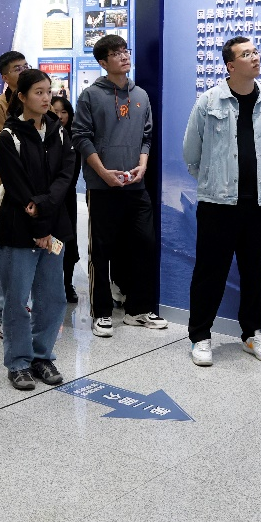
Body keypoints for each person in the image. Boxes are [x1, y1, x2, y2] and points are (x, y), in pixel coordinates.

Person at [182, 36, 261, 367]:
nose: (255, 57)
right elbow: (191, 152)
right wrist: (213, 182)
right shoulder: (209, 101)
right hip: (217, 204)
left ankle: (253, 335)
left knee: (255, 274)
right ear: (230, 65)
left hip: (258, 204)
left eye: (256, 52)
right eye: (246, 54)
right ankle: (200, 336)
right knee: (209, 272)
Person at [73, 34, 165, 337]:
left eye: (125, 51)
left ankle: (138, 310)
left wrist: (143, 165)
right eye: (116, 53)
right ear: (103, 62)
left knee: (144, 245)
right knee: (101, 251)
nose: (124, 56)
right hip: (102, 187)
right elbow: (81, 137)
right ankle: (101, 312)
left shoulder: (141, 95)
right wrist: (102, 172)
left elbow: (146, 136)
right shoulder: (90, 95)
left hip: (136, 186)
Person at [0, 69, 77, 391]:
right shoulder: (9, 136)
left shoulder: (60, 133)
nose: (46, 98)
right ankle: (18, 362)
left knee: (53, 297)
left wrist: (43, 209)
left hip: (53, 226)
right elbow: (18, 187)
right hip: (20, 229)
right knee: (17, 300)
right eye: (38, 92)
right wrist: (40, 218)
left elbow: (66, 176)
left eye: (48, 91)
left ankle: (42, 356)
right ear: (22, 97)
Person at [0, 51, 31, 333]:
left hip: (36, 191)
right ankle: (3, 313)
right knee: (3, 252)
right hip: (5, 188)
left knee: (31, 250)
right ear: (5, 77)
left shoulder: (37, 101)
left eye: (25, 66)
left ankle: (26, 308)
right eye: (17, 68)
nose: (23, 71)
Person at [52, 95, 82, 303]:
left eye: (64, 112)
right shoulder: (44, 136)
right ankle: (51, 284)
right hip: (50, 198)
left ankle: (67, 283)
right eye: (56, 112)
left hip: (67, 197)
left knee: (69, 240)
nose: (60, 116)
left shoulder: (74, 137)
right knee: (51, 241)